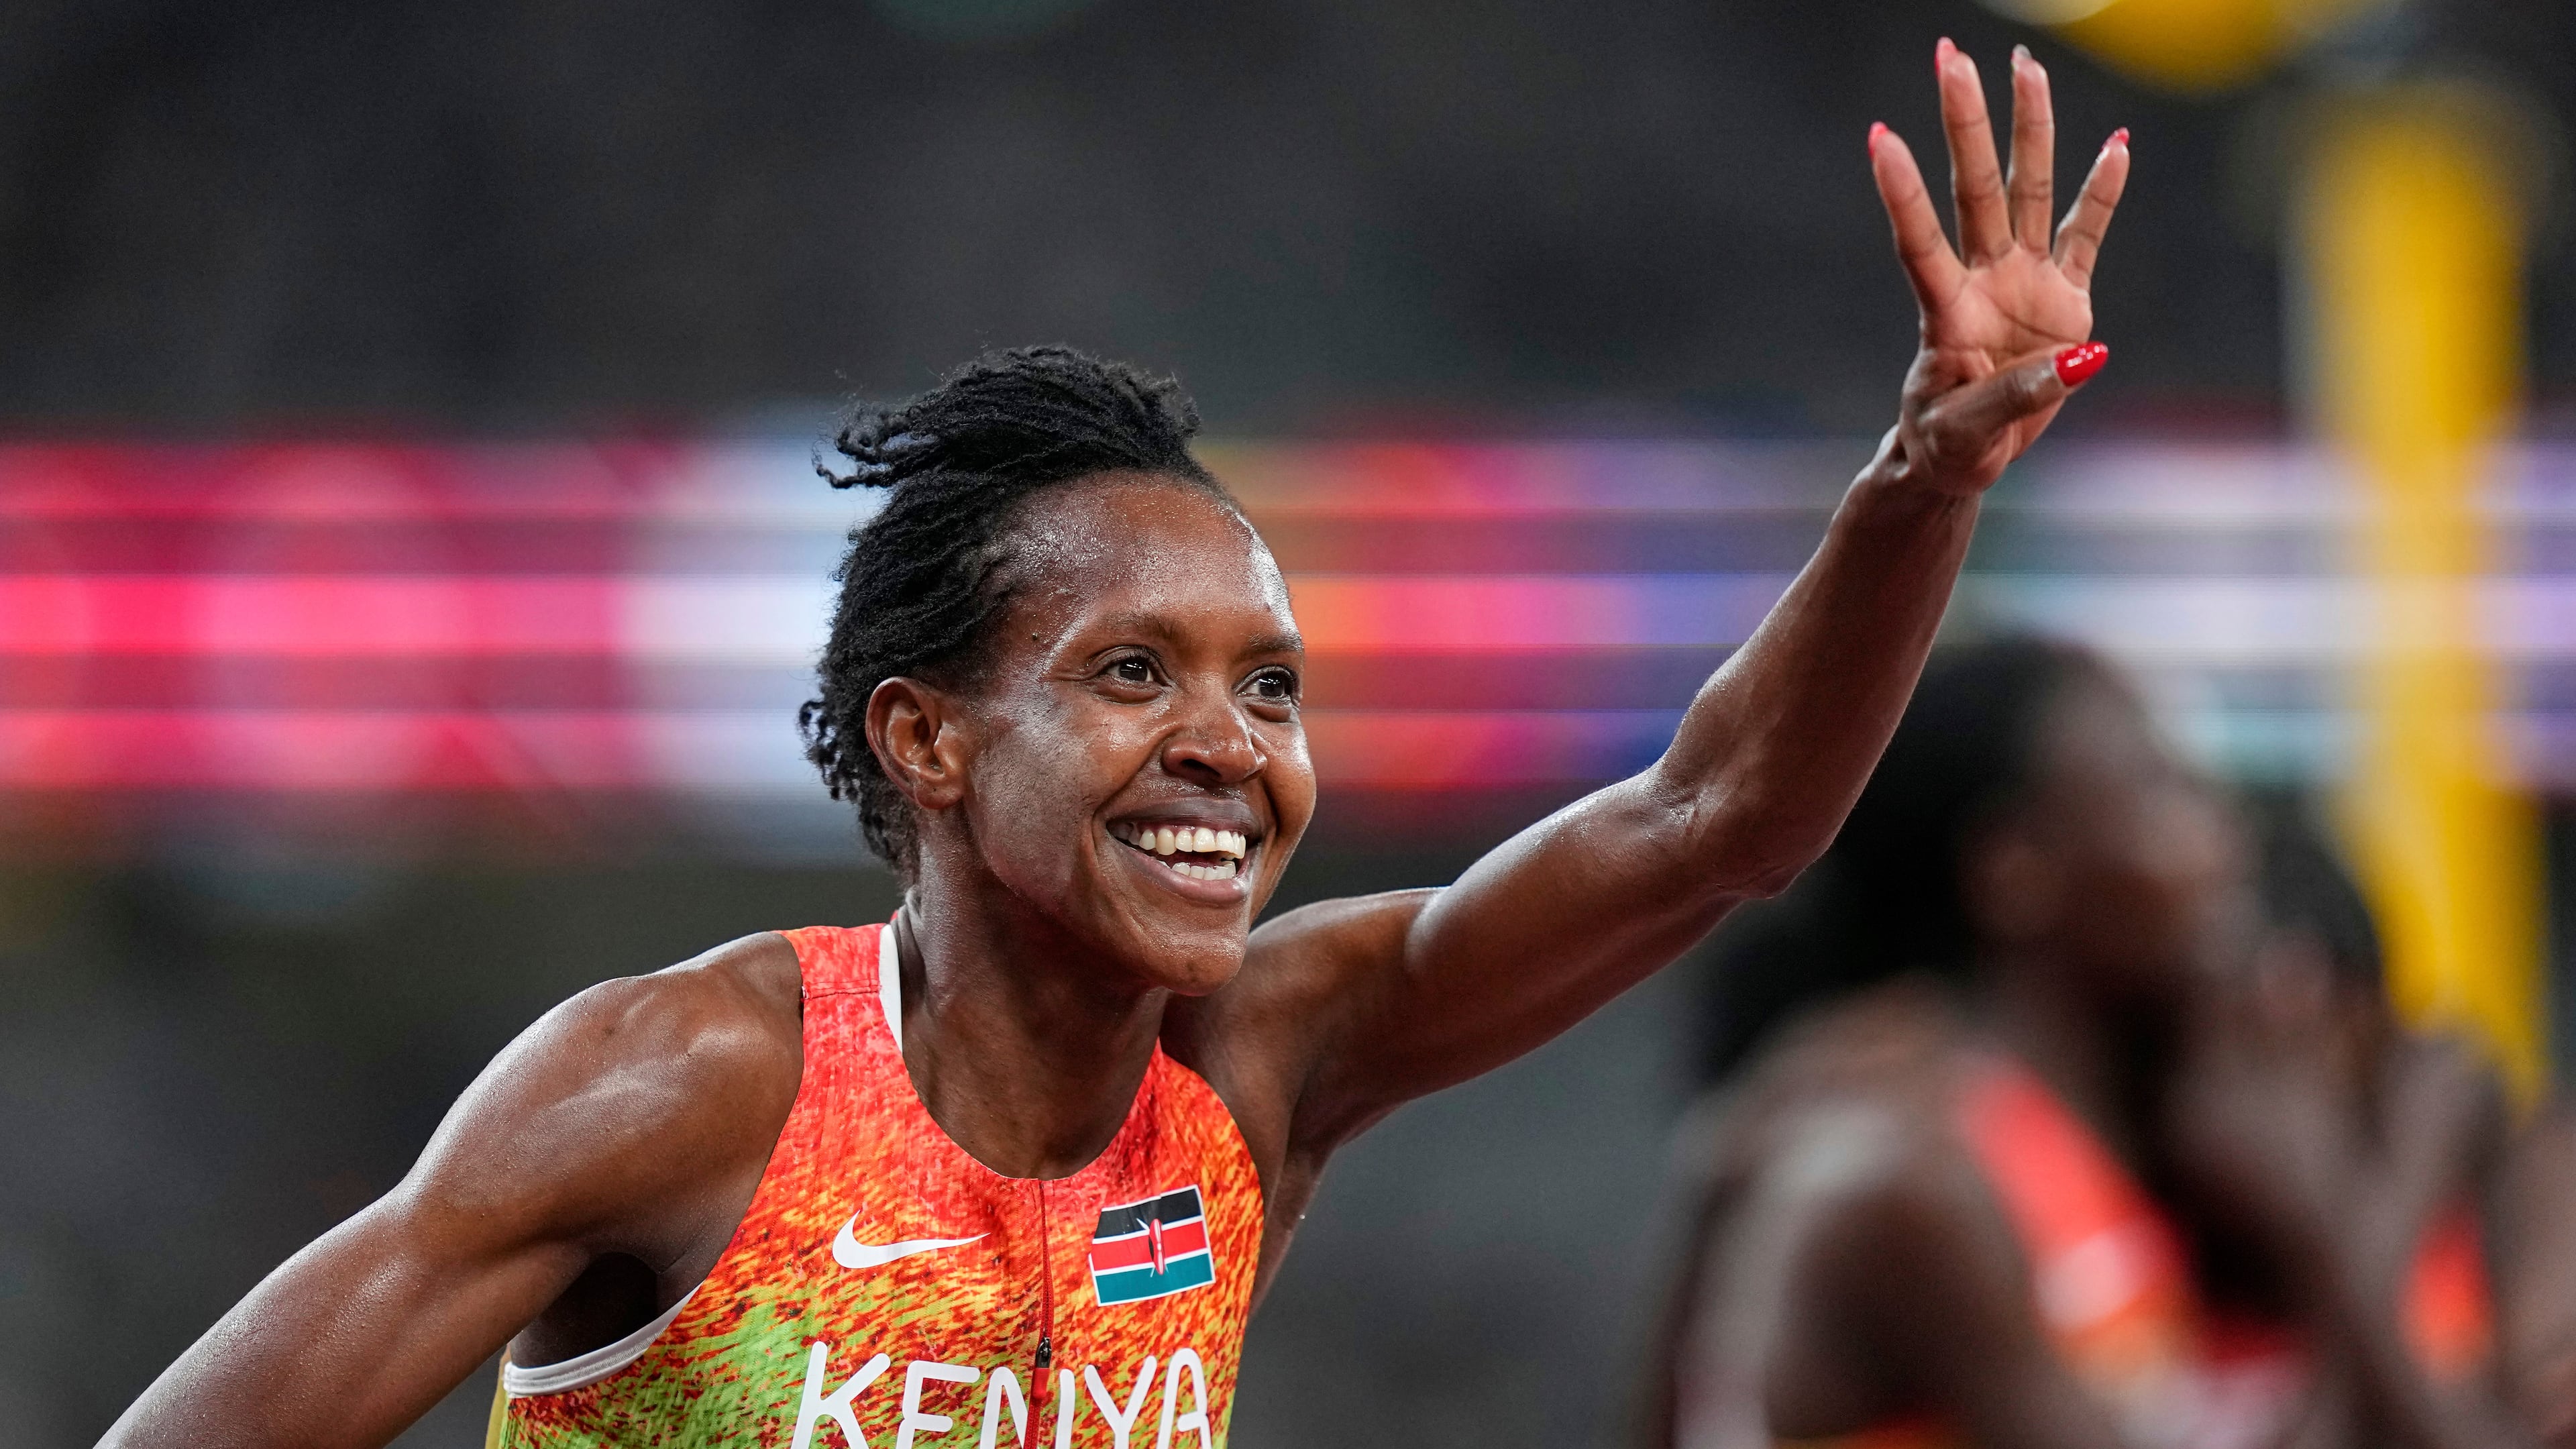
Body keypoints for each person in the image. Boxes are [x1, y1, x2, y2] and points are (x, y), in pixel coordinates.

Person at [104, 42, 2129, 1448]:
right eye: (1135, 674)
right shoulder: (686, 1089)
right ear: (928, 739)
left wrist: (1924, 479)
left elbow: (1717, 818)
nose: (1230, 748)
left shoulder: (1263, 1063)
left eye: (1272, 686)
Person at [1644, 637, 2537, 1449]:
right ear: (2017, 872)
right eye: (2160, 793)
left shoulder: (2135, 1139)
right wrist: (2365, 1200)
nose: (2225, 843)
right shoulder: (1912, 1176)